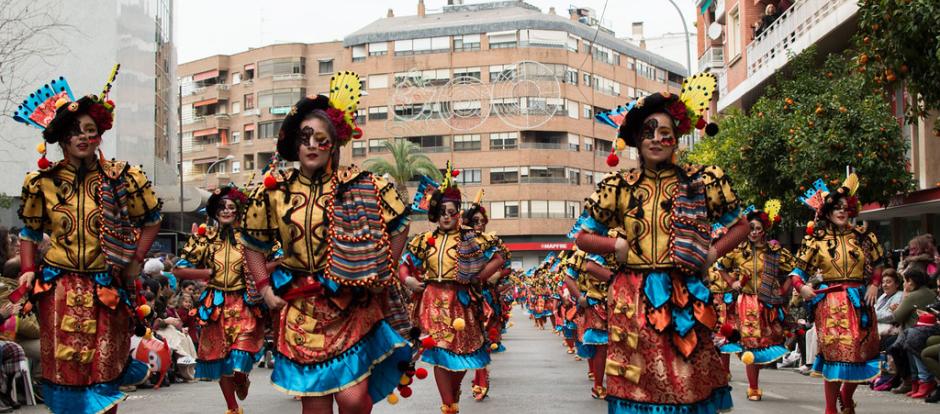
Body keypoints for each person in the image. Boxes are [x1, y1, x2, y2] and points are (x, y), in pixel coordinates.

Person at [241, 72, 413, 414]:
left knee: (351, 401)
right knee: (315, 407)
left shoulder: (365, 185)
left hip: (351, 302)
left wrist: (382, 272)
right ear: (295, 143)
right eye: (306, 138)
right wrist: (264, 289)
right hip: (299, 309)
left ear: (333, 145)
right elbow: (253, 244)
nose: (313, 146)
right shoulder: (274, 192)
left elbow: (399, 224)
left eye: (322, 139)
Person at [574, 79, 747, 413]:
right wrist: (615, 245)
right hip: (634, 296)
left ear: (676, 138)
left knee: (686, 378)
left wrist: (713, 252)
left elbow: (740, 226)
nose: (656, 139)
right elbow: (582, 236)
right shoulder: (618, 187)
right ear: (637, 140)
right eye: (648, 132)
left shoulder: (702, 180)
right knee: (639, 382)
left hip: (685, 292)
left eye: (664, 132)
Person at [13, 67, 162, 413]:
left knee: (104, 367)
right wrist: (27, 269)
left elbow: (152, 220)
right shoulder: (42, 182)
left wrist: (135, 261)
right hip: (58, 287)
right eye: (74, 132)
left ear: (99, 135)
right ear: (62, 139)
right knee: (64, 369)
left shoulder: (123, 177)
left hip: (107, 284)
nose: (82, 138)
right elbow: (30, 232)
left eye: (89, 131)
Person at [399, 161, 507, 414]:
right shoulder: (424, 241)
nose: (447, 216)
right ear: (435, 214)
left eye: (453, 211)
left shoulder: (472, 237)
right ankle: (449, 405)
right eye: (443, 212)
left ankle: (453, 394)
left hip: (462, 302)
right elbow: (404, 266)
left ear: (459, 212)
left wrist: (479, 277)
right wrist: (409, 281)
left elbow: (499, 257)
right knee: (439, 353)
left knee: (461, 356)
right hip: (432, 302)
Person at [173, 186, 275, 413]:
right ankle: (232, 408)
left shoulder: (251, 239)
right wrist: (203, 274)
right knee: (220, 360)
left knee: (240, 357)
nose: (226, 211)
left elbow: (278, 256)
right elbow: (179, 269)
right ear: (214, 211)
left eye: (231, 207)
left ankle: (242, 378)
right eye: (222, 207)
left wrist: (257, 273)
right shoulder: (205, 239)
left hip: (244, 302)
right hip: (215, 305)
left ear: (239, 211)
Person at [789, 173, 884, 414]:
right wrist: (803, 287)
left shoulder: (864, 237)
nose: (841, 212)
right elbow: (796, 272)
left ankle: (847, 396)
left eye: (845, 207)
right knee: (834, 356)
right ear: (828, 212)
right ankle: (831, 408)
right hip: (830, 303)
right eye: (836, 208)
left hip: (860, 300)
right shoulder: (816, 241)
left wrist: (874, 284)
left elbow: (880, 264)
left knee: (858, 353)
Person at [715, 205, 794, 401]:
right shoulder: (737, 250)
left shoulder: (774, 251)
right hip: (747, 302)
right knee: (750, 343)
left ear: (764, 230)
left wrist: (784, 290)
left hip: (768, 303)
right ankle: (753, 387)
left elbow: (795, 269)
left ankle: (754, 380)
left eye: (758, 229)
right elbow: (721, 266)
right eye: (751, 228)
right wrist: (732, 282)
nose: (754, 232)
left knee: (765, 342)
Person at [461, 191, 512, 402]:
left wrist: (493, 275)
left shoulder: (491, 241)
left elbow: (503, 263)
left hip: (485, 295)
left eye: (482, 221)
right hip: (461, 294)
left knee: (481, 335)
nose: (479, 224)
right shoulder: (459, 240)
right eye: (475, 221)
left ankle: (481, 377)